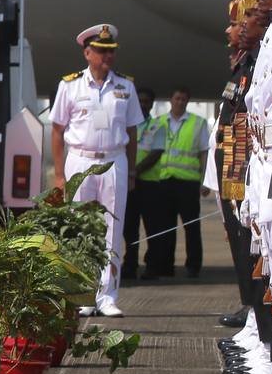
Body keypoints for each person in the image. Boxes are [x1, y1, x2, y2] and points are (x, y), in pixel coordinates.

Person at [49, 23, 143, 317]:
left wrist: (130, 173)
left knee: (112, 229)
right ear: (87, 53)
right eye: (101, 51)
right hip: (80, 158)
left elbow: (132, 131)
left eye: (111, 51)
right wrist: (60, 174)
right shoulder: (70, 85)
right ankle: (83, 294)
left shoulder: (125, 87)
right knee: (80, 228)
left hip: (114, 159)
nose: (107, 56)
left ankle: (107, 295)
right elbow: (56, 129)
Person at [141, 87, 208, 280]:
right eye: (177, 98)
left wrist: (205, 180)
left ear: (187, 102)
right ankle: (165, 265)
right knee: (165, 227)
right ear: (171, 100)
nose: (180, 102)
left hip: (187, 182)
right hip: (163, 181)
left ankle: (193, 266)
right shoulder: (159, 122)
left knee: (191, 227)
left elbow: (204, 153)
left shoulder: (198, 123)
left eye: (184, 99)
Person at [123, 87, 160, 281]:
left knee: (152, 228)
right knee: (130, 228)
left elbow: (156, 153)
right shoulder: (126, 125)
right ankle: (129, 265)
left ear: (152, 104)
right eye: (141, 101)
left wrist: (134, 171)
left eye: (147, 101)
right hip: (130, 184)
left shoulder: (157, 125)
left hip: (149, 184)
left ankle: (152, 266)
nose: (144, 104)